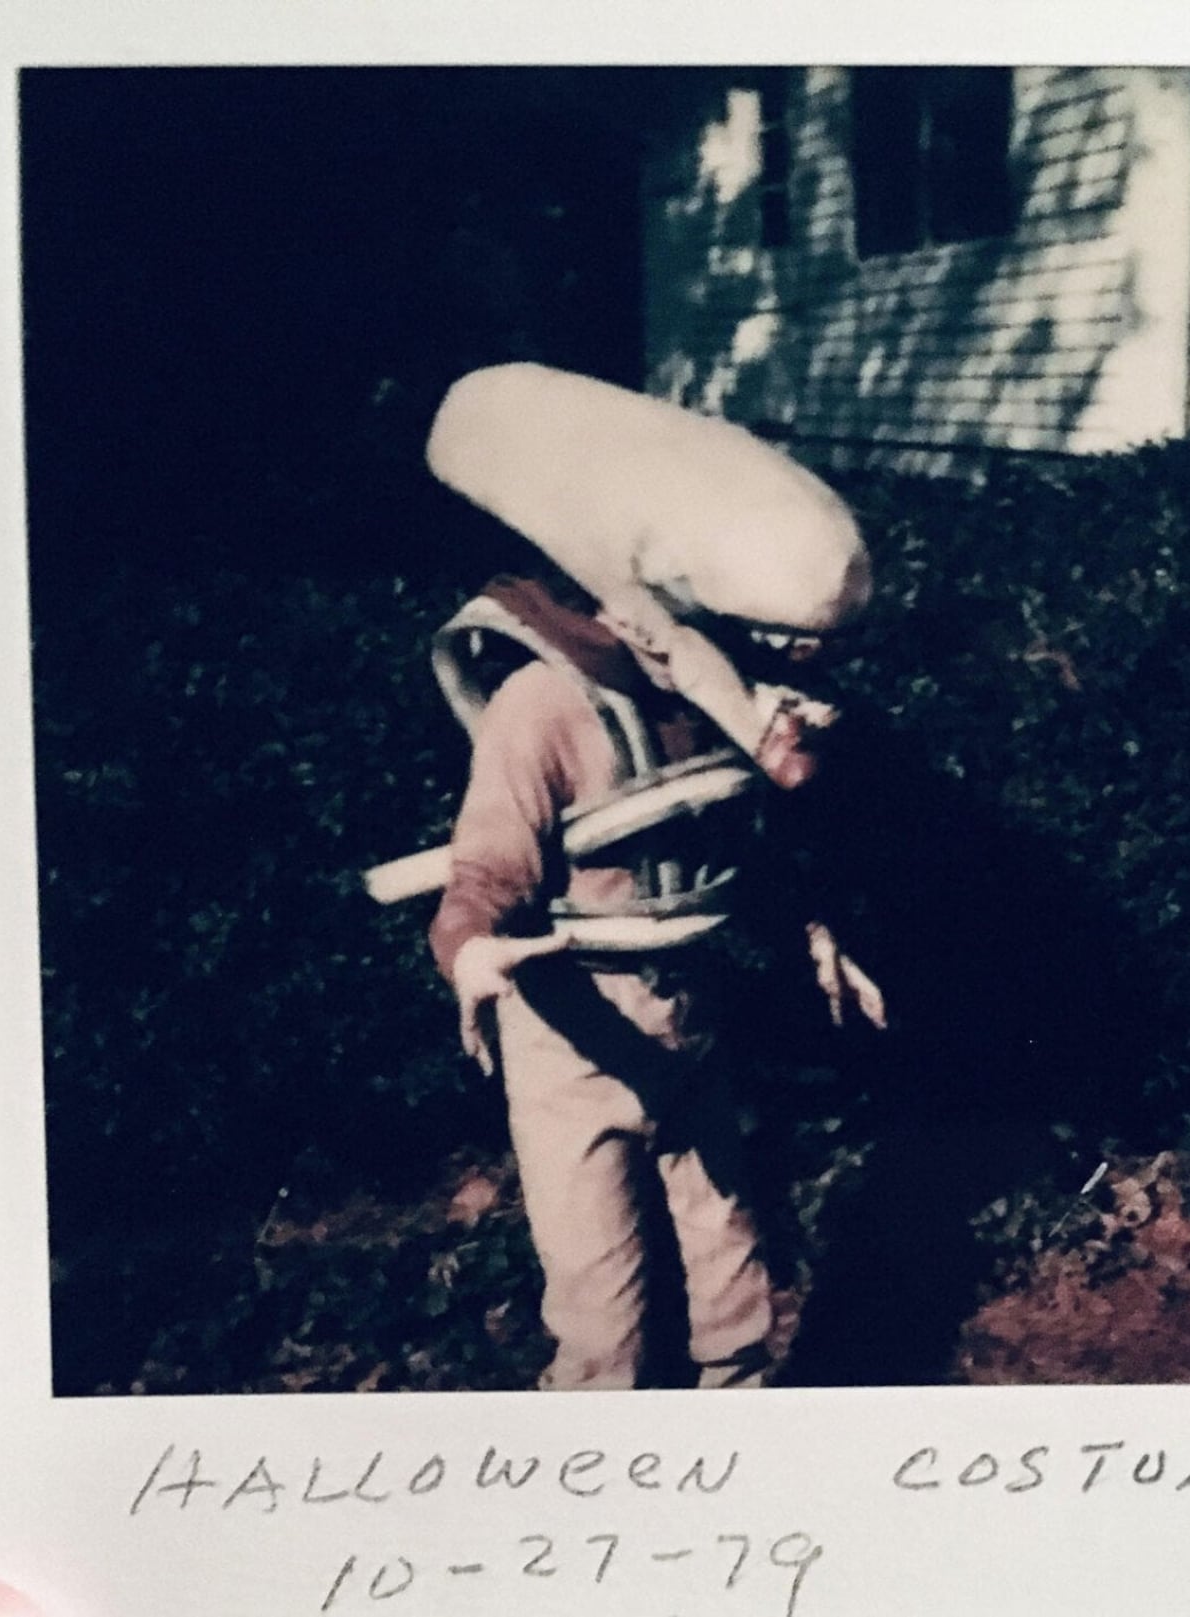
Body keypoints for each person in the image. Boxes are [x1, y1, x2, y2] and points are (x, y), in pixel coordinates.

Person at [372, 363, 886, 1390]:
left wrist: (817, 933)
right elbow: (487, 866)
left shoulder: (710, 708)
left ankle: (732, 1448)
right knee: (603, 1320)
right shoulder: (541, 707)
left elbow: (744, 840)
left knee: (736, 1295)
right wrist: (469, 952)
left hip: (691, 1027)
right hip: (575, 1040)